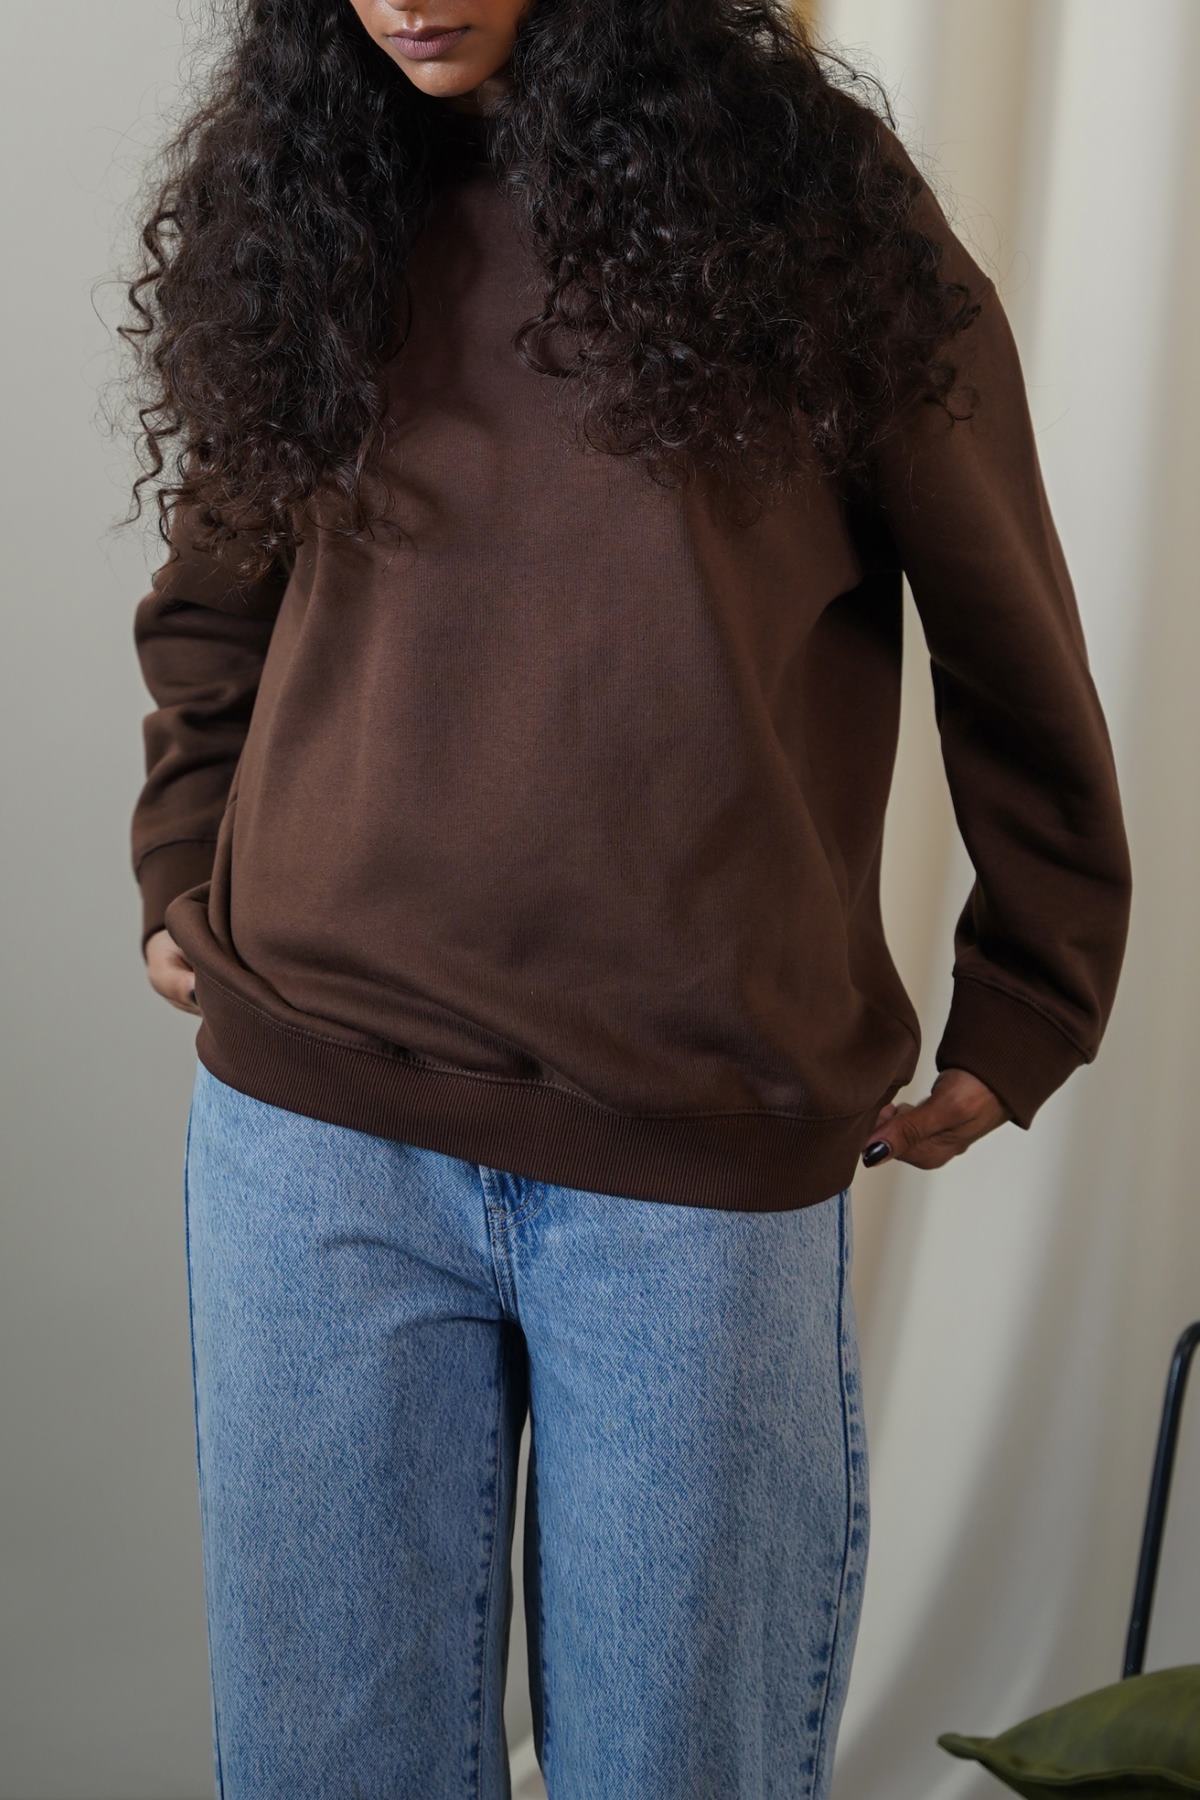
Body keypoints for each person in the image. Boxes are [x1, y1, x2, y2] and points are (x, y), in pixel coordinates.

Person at [121, 3, 1132, 1796]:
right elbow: (216, 589)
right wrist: (182, 854)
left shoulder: (813, 204)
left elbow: (1007, 622)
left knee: (683, 1769)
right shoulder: (309, 194)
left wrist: (1036, 986)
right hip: (318, 1134)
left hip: (692, 1155)